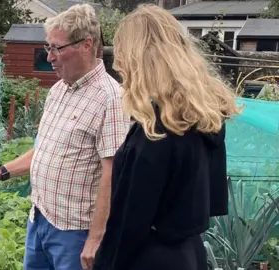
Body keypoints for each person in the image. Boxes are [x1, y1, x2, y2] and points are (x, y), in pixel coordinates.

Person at [0, 3, 130, 270]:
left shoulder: (111, 98)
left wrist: (97, 238)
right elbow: (43, 150)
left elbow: (113, 173)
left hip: (75, 233)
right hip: (39, 220)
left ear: (86, 45)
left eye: (56, 48)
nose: (49, 57)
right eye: (47, 47)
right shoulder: (58, 91)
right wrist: (0, 172)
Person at [92, 4, 241, 270]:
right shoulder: (204, 118)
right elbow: (213, 201)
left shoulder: (155, 132)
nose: (117, 65)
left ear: (141, 60)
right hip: (190, 252)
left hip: (149, 258)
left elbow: (128, 226)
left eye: (122, 55)